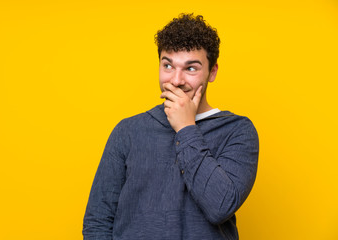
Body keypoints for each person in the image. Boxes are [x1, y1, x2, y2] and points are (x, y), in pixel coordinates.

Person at [83, 13, 259, 240]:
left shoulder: (238, 131)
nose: (176, 80)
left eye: (191, 68)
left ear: (212, 72)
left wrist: (186, 128)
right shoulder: (127, 132)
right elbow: (97, 221)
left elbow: (221, 206)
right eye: (168, 65)